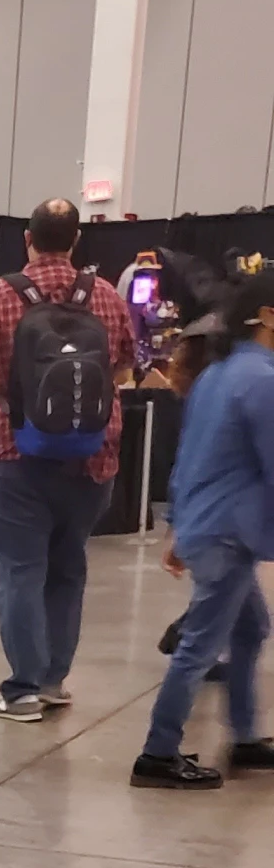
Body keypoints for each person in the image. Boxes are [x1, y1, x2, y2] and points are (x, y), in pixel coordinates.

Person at [0, 197, 135, 720]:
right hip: (91, 458)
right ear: (76, 240)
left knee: (21, 570)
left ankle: (22, 692)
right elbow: (123, 372)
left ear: (26, 239)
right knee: (68, 567)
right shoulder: (105, 296)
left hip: (14, 455)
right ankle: (53, 681)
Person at [131, 272, 274, 791]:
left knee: (251, 628)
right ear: (268, 316)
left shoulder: (218, 375)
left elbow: (188, 459)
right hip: (230, 532)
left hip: (213, 527)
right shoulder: (262, 380)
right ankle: (158, 754)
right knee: (199, 647)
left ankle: (245, 738)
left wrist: (178, 526)